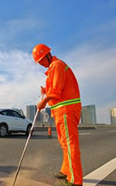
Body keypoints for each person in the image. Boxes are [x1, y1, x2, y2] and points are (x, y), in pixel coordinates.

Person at [33, 44, 83, 186]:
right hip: (62, 111)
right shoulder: (54, 68)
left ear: (47, 55)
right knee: (65, 144)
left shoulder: (57, 66)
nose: (41, 64)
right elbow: (55, 87)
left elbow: (55, 91)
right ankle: (66, 171)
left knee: (70, 144)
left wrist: (44, 102)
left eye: (41, 60)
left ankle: (75, 181)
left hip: (66, 110)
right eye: (39, 62)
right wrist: (45, 89)